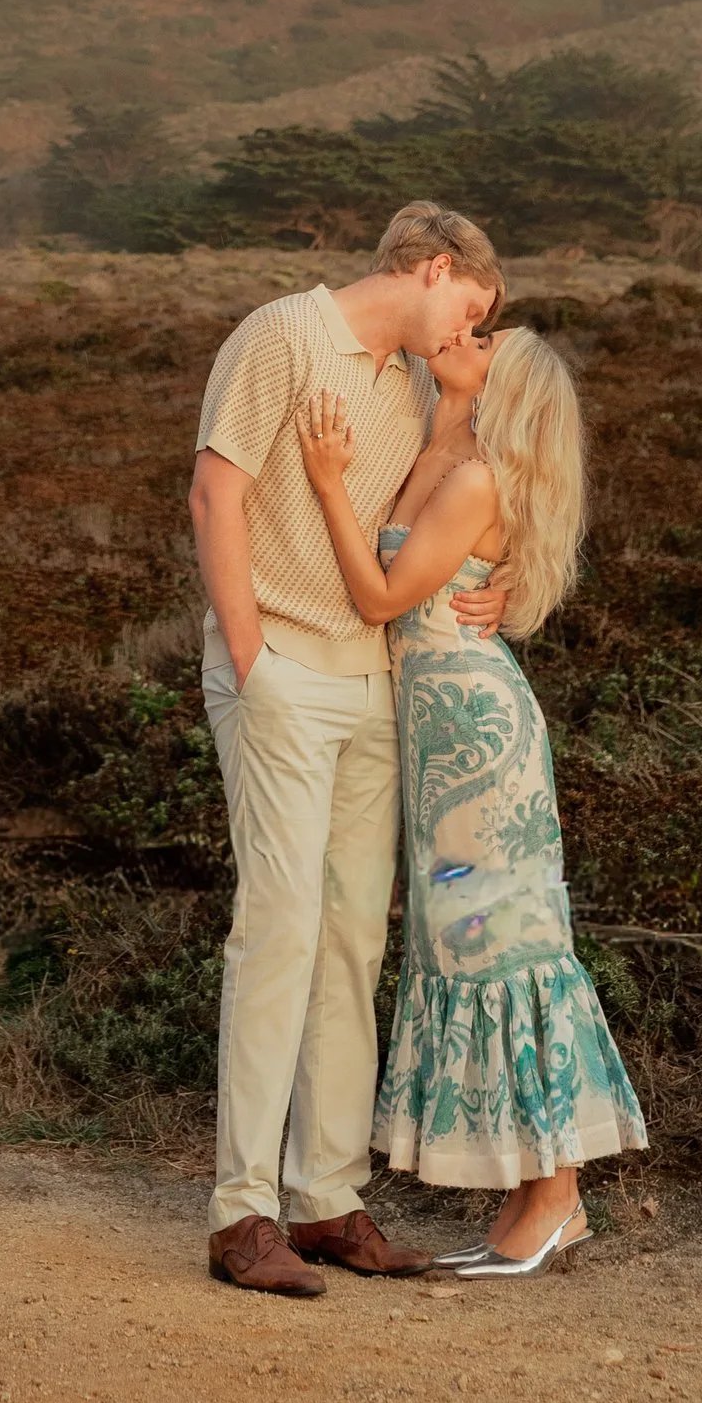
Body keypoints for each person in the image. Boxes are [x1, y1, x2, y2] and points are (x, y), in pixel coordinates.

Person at [188, 201, 507, 1296]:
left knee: (347, 944)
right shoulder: (282, 334)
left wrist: (491, 568)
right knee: (275, 932)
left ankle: (325, 1198)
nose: (471, 330)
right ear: (428, 270)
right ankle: (242, 1217)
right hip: (278, 668)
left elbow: (419, 515)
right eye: (472, 307)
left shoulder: (417, 384)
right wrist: (247, 655)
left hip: (367, 681)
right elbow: (214, 492)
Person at [296, 320, 646, 1276]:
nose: (463, 336)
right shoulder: (432, 444)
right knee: (467, 948)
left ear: (506, 384)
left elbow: (380, 599)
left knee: (509, 949)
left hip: (479, 744)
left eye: (486, 339)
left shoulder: (477, 476)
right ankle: (534, 1198)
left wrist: (328, 484)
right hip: (438, 740)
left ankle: (561, 1196)